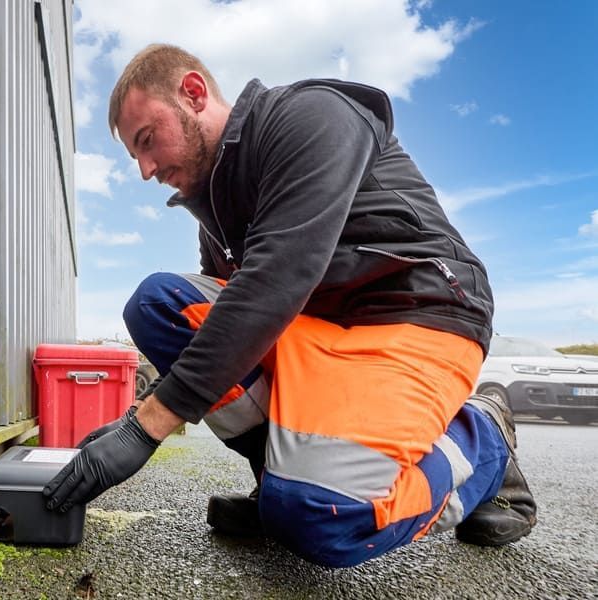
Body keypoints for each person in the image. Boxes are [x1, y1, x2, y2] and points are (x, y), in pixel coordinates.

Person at [44, 44, 537, 568]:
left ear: (193, 93)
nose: (145, 169)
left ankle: (483, 440)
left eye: (147, 141)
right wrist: (138, 412)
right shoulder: (218, 208)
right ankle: (277, 479)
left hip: (414, 313)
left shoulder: (310, 116)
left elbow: (276, 278)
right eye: (135, 156)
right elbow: (231, 334)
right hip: (315, 328)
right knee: (159, 304)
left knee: (321, 517)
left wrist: (146, 427)